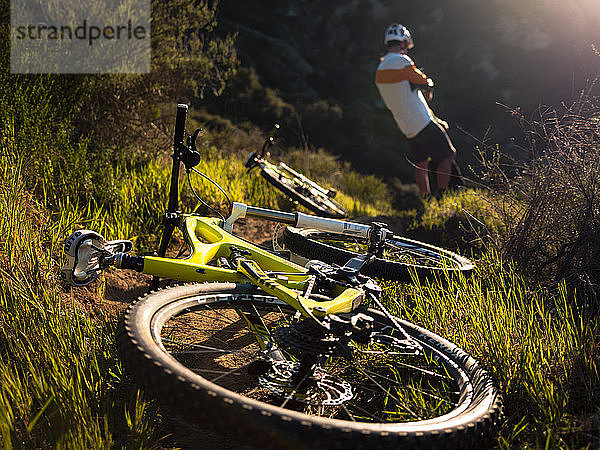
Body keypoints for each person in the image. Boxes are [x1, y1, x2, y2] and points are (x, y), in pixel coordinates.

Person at [375, 23, 458, 197]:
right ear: (403, 43)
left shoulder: (380, 68)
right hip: (421, 122)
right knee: (448, 155)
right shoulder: (401, 61)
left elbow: (408, 96)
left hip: (406, 127)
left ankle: (426, 199)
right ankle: (443, 197)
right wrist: (426, 82)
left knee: (421, 163)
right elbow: (424, 81)